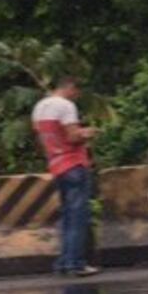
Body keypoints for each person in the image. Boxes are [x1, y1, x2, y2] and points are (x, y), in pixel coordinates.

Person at [32, 75, 99, 277]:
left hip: (56, 165)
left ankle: (63, 262)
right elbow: (72, 136)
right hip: (74, 164)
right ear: (70, 87)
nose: (76, 97)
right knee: (78, 217)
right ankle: (75, 263)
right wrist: (87, 133)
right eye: (76, 92)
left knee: (67, 217)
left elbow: (41, 139)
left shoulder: (39, 107)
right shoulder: (66, 106)